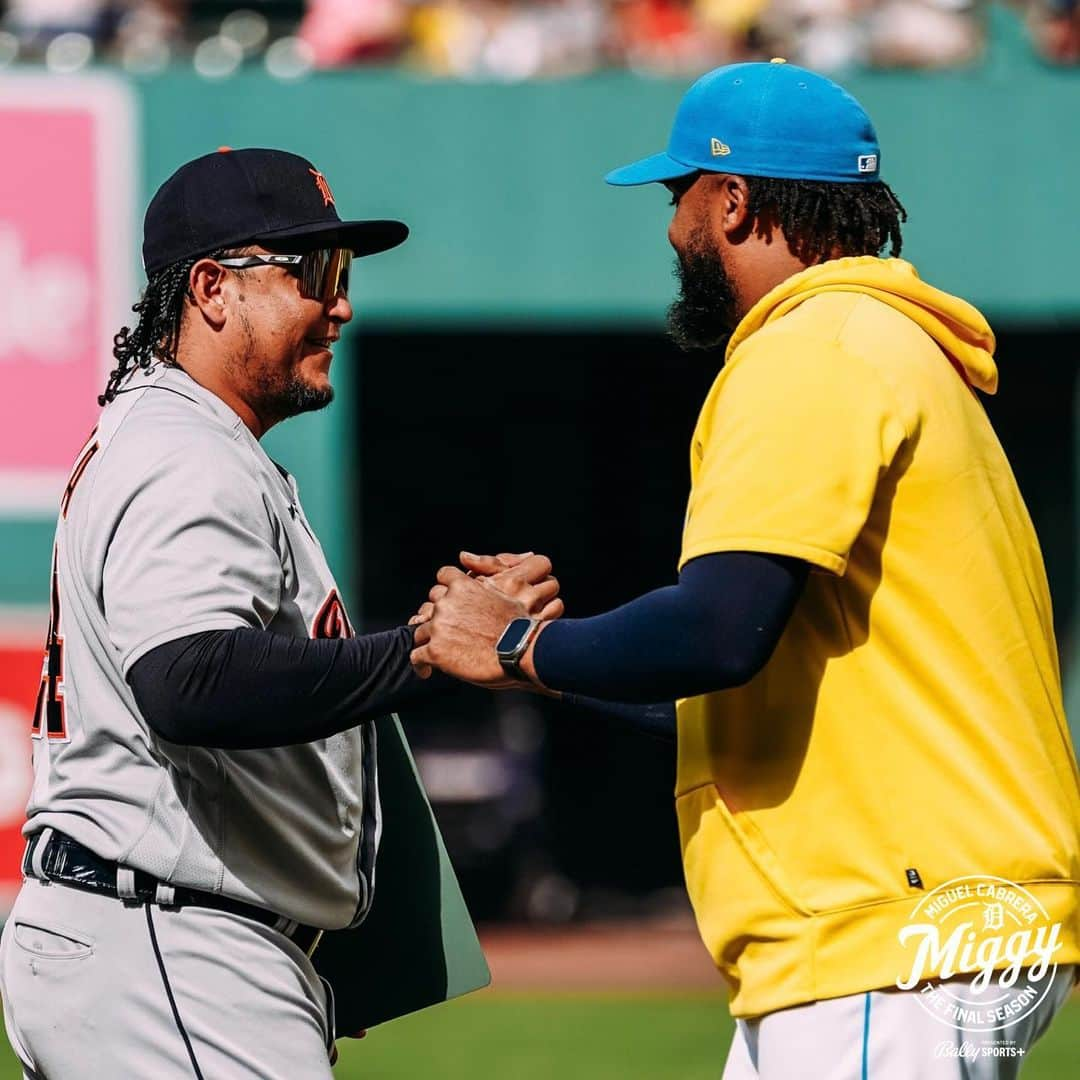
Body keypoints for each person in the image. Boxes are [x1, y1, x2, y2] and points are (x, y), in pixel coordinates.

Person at [410, 62, 1080, 1076]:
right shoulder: (887, 347)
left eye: (678, 194)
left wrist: (518, 642)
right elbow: (757, 673)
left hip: (886, 930)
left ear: (733, 201)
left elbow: (719, 632)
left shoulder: (814, 347)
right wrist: (555, 658)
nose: (672, 226)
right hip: (912, 922)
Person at [0, 147, 558, 1079]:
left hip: (163, 936)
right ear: (213, 289)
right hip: (170, 942)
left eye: (342, 275)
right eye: (313, 273)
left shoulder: (184, 438)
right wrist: (423, 652)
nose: (340, 303)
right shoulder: (186, 453)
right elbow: (189, 682)